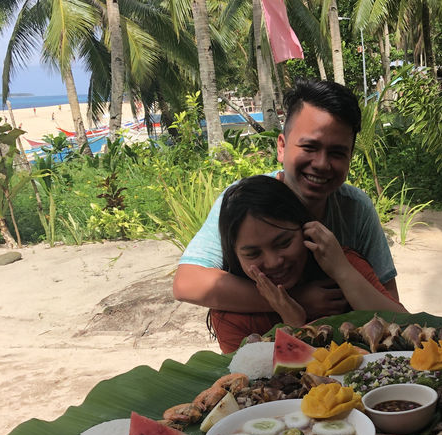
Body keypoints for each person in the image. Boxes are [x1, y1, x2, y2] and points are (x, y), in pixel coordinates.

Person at [173, 79, 399, 323]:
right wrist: (293, 299)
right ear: (281, 147)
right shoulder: (243, 203)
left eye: (337, 153)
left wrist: (343, 271)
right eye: (309, 147)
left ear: (350, 157)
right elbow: (188, 282)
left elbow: (391, 304)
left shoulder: (356, 208)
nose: (322, 164)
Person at [211, 175, 406, 352]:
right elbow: (254, 385)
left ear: (306, 229)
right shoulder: (230, 318)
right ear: (235, 256)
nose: (274, 262)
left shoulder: (343, 263)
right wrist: (294, 322)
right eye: (252, 253)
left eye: (284, 243)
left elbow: (408, 330)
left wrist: (343, 271)